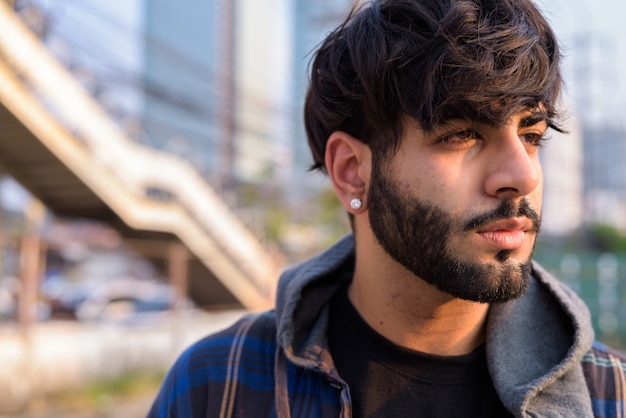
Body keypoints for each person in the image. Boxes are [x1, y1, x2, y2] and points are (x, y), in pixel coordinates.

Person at [148, 0, 626, 416]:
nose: (523, 176)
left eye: (531, 136)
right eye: (462, 135)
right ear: (353, 171)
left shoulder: (612, 394)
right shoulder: (218, 385)